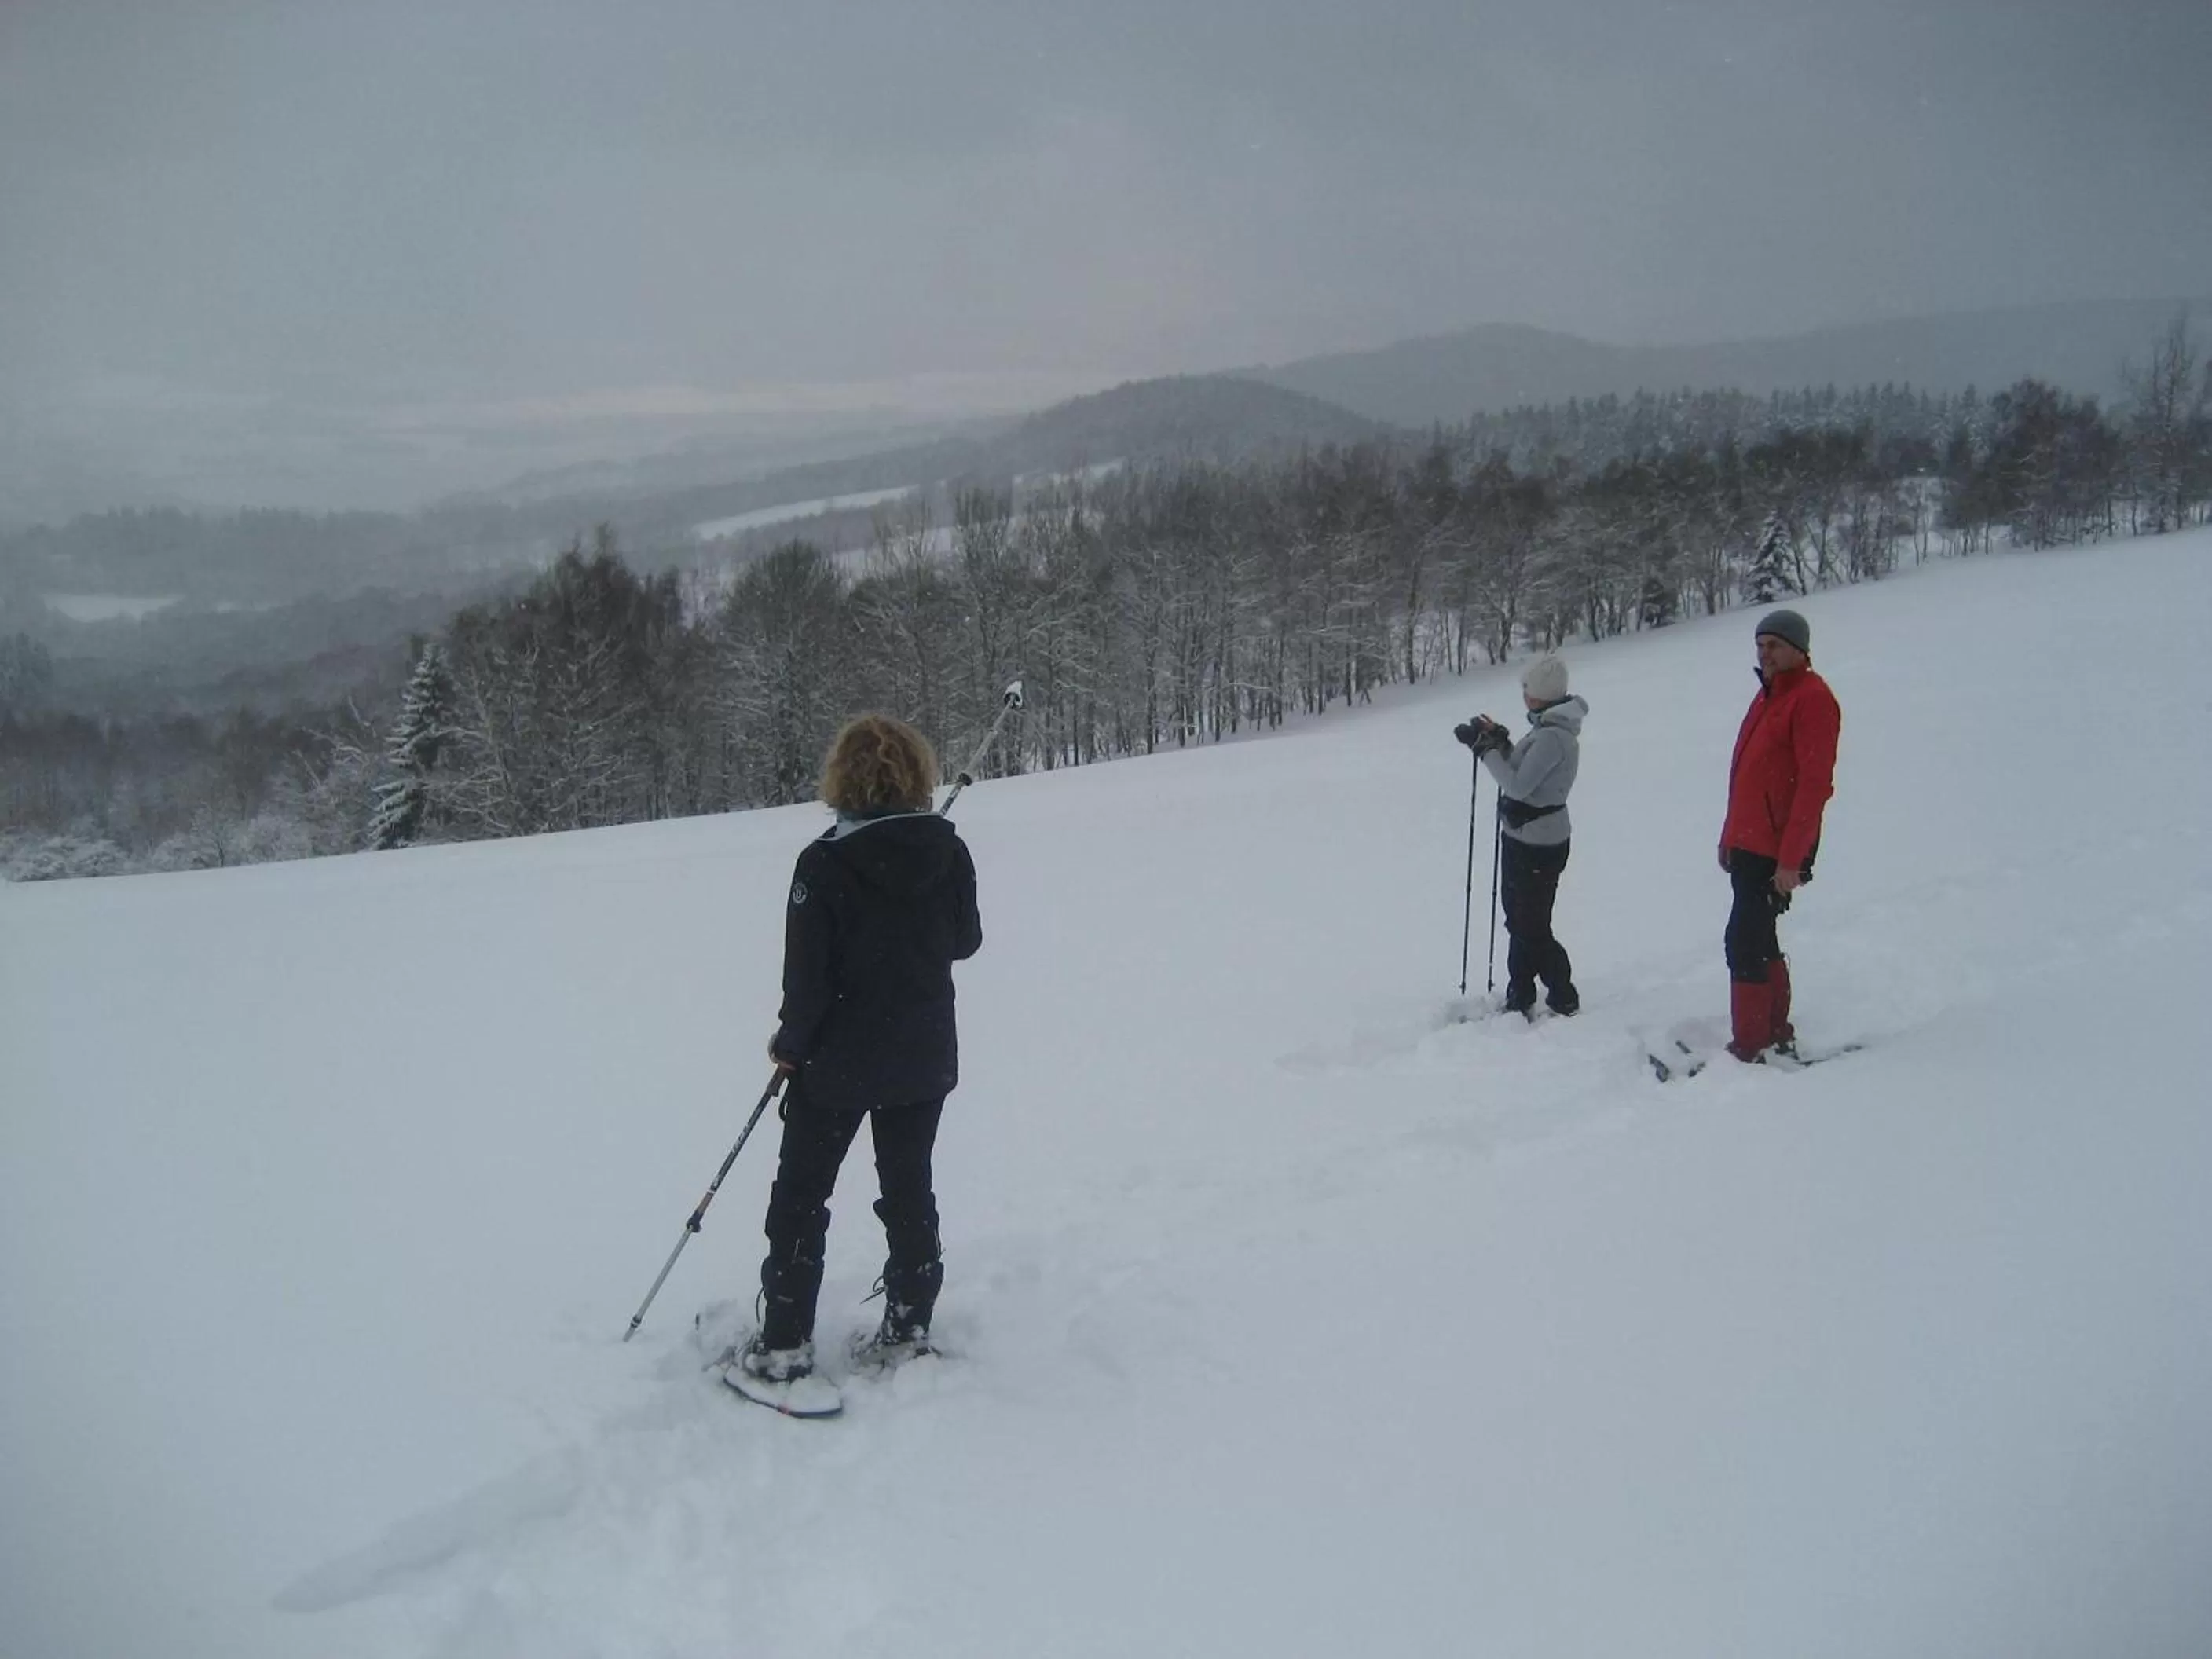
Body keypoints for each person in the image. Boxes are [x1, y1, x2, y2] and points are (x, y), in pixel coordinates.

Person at [737, 714, 982, 1396]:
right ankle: (908, 1326)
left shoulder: (822, 863)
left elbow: (806, 981)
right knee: (908, 1190)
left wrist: (790, 1048)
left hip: (839, 1062)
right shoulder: (948, 851)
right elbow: (965, 941)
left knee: (801, 1198)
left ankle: (784, 1344)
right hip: (922, 1059)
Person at [1718, 608, 1840, 1062]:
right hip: (1749, 840)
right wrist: (1729, 836)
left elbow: (1814, 785)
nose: (1765, 653)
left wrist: (1792, 858)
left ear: (1798, 650)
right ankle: (1771, 1031)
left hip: (1776, 847)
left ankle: (1751, 1044)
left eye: (1774, 645)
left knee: (1744, 939)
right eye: (1760, 645)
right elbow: (1746, 773)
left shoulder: (1812, 698)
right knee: (1758, 935)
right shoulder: (1769, 694)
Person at [1456, 655, 1586, 1018]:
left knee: (1529, 924)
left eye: (1527, 689)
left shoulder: (1553, 737)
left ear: (1540, 695)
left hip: (1539, 844)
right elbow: (1522, 770)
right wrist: (1500, 742)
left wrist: (1485, 751)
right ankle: (1521, 991)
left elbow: (1516, 784)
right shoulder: (1547, 729)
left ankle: (1562, 994)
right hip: (1524, 837)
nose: (1524, 695)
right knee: (1518, 918)